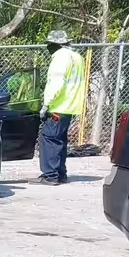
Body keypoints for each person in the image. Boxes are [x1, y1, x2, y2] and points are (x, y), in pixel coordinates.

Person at [36, 30, 87, 185]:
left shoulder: (60, 58)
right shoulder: (77, 57)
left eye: (49, 44)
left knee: (49, 139)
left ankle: (50, 175)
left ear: (55, 44)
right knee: (60, 141)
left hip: (58, 106)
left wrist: (46, 105)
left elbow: (56, 83)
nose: (48, 47)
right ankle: (60, 173)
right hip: (70, 106)